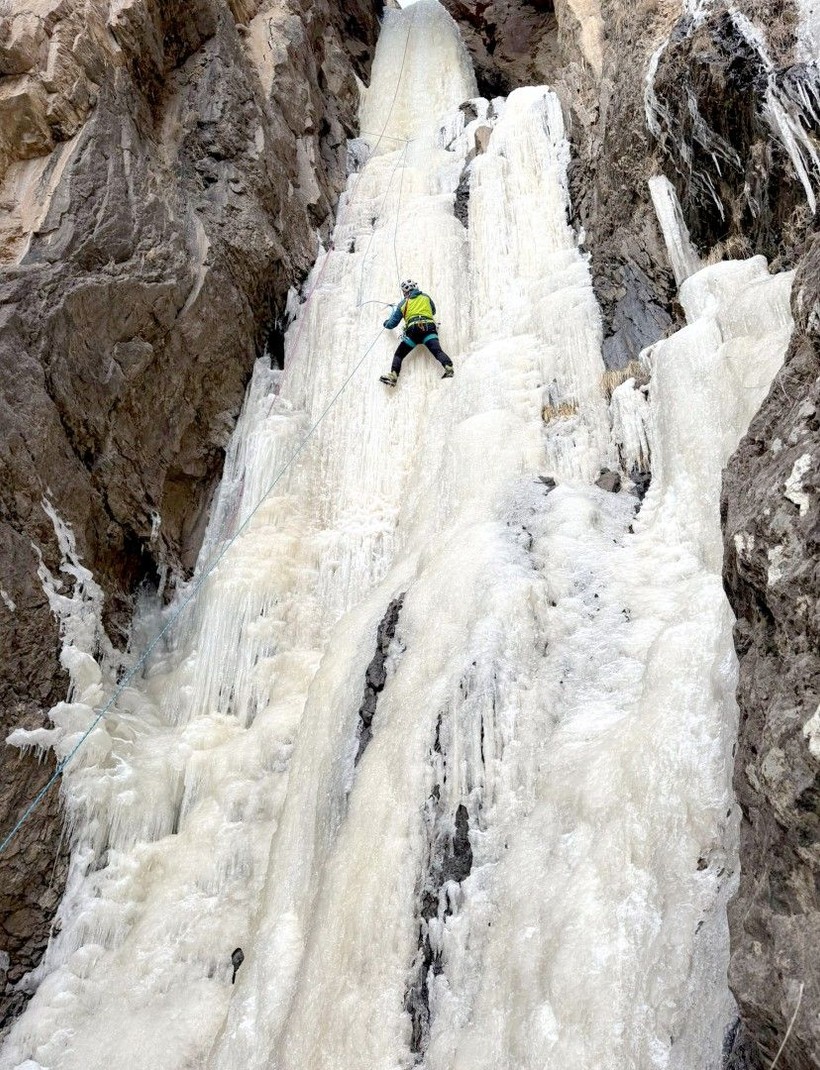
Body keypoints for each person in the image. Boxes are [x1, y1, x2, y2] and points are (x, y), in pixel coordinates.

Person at [379, 280, 454, 387]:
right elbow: (433, 311)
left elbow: (392, 324)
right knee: (437, 351)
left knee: (399, 354)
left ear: (405, 292)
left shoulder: (403, 303)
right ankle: (449, 368)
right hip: (429, 329)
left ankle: (393, 376)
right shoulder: (426, 297)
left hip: (413, 332)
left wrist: (386, 323)